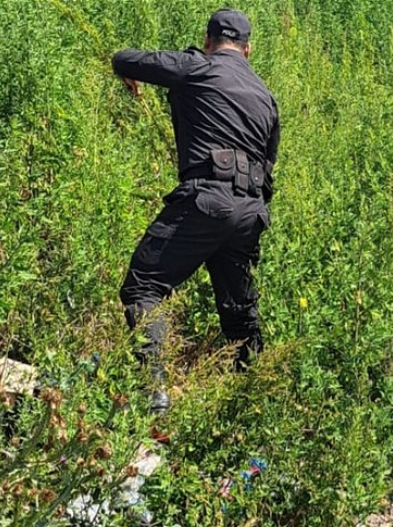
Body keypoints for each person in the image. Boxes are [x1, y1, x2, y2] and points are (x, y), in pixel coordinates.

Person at [112, 8, 280, 411]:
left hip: (207, 199)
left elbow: (127, 59)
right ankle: (253, 399)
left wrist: (125, 71)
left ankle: (152, 393)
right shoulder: (266, 97)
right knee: (239, 312)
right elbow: (269, 163)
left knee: (143, 287)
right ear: (248, 49)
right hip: (250, 211)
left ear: (208, 42)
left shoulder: (197, 66)